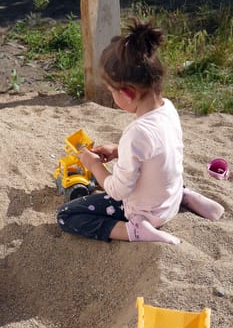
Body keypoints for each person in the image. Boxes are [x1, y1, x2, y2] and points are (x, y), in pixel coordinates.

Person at [57, 18, 224, 244]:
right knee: (165, 170)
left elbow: (118, 191)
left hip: (146, 212)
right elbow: (158, 153)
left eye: (112, 92)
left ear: (126, 94)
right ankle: (184, 196)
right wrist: (118, 151)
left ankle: (135, 231)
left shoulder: (136, 133)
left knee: (67, 215)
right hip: (169, 199)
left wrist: (94, 165)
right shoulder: (168, 108)